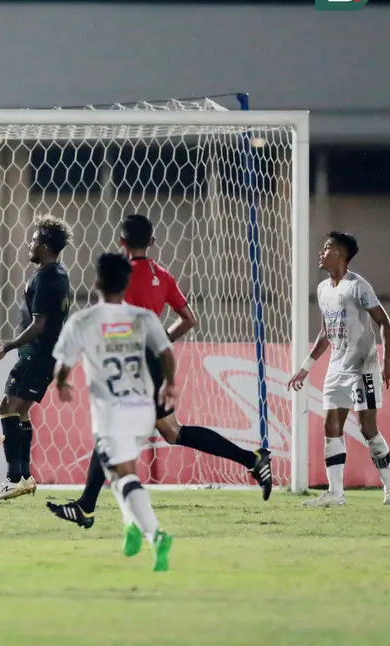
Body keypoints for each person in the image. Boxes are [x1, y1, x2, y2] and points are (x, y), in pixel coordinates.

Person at [47, 214, 272, 529]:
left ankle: (87, 507)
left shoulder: (119, 278)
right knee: (171, 431)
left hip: (131, 366)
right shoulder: (162, 275)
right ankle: (253, 460)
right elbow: (189, 319)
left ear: (121, 243)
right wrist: (161, 341)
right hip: (152, 362)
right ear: (151, 242)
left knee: (115, 433)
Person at [53, 252, 176, 571]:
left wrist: (63, 383)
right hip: (143, 408)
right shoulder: (143, 317)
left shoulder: (83, 321)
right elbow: (166, 352)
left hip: (111, 412)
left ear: (96, 282)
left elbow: (63, 366)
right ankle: (131, 526)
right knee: (124, 469)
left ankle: (155, 534)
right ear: (125, 284)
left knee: (121, 477)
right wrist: (171, 385)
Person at [289, 231, 390, 507]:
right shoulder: (323, 289)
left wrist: (386, 361)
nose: (321, 252)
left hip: (362, 367)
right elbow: (325, 332)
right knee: (331, 425)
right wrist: (305, 368)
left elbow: (384, 322)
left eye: (327, 248)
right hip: (337, 367)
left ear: (341, 254)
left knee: (367, 428)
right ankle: (336, 493)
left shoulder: (358, 286)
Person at [0, 215, 72, 500]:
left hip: (37, 356)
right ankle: (24, 477)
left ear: (44, 245)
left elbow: (39, 325)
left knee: (6, 407)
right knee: (19, 412)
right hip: (43, 357)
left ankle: (13, 478)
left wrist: (6, 347)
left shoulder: (48, 279)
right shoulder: (58, 275)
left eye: (34, 240)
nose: (29, 244)